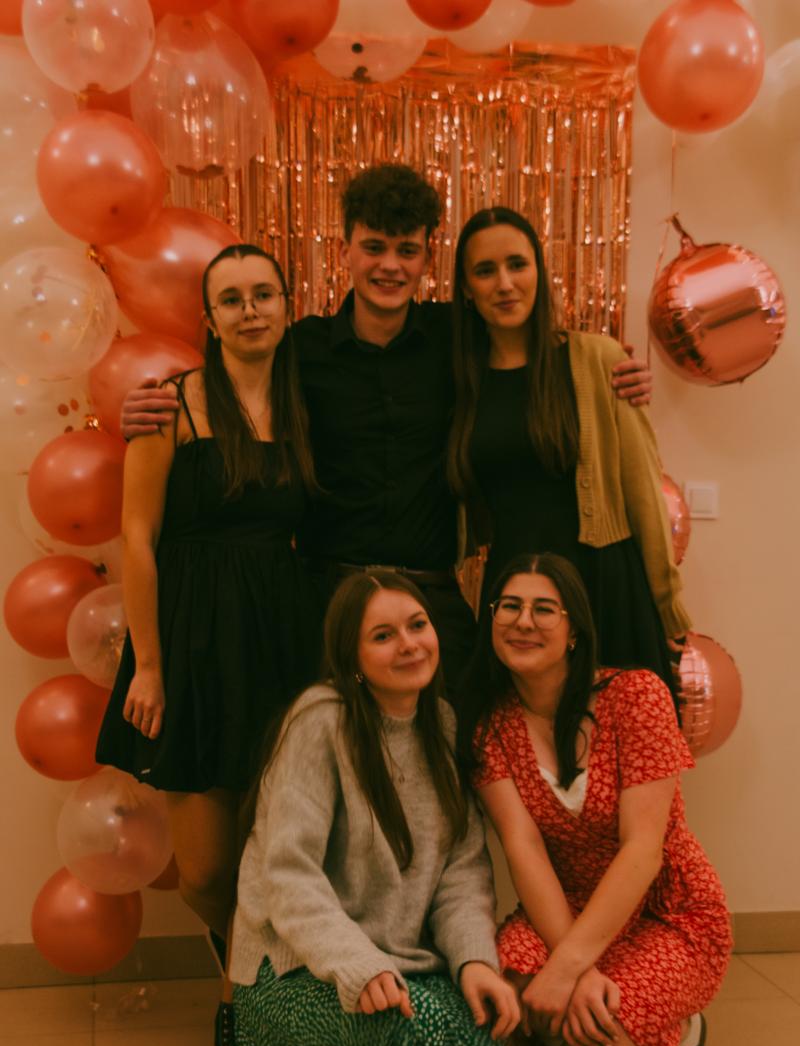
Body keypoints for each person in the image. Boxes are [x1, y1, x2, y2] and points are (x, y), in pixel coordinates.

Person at [120, 167, 653, 688]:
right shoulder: (300, 349)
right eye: (374, 247)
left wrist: (610, 367)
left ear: (427, 257)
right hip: (326, 597)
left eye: (407, 250)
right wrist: (146, 409)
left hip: (430, 596)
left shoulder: (457, 339)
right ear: (345, 250)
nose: (390, 266)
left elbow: (533, 348)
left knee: (466, 729)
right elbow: (232, 378)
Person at [96, 244, 321, 1046]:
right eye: (232, 299)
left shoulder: (307, 402)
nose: (250, 309)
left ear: (287, 306)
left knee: (282, 843)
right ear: (210, 318)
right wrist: (149, 666)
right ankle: (241, 953)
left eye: (264, 294)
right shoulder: (171, 406)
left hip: (282, 638)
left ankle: (241, 1004)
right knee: (206, 869)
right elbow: (137, 539)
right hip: (191, 641)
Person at [230, 570, 526, 1046]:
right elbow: (290, 874)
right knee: (409, 1036)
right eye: (384, 635)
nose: (410, 644)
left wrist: (475, 960)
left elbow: (462, 870)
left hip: (398, 958)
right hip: (296, 966)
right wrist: (358, 966)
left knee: (471, 1022)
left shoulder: (441, 723)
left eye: (417, 626)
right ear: (353, 658)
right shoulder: (321, 721)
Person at [457, 552, 732, 1046]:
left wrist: (565, 971)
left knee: (611, 1042)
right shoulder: (490, 727)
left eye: (544, 609)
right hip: (567, 905)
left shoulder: (637, 696)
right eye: (509, 606)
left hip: (665, 910)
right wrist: (573, 968)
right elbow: (524, 848)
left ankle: (679, 1037)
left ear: (574, 630)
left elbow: (643, 850)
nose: (523, 621)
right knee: (506, 992)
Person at [448, 207, 688, 697]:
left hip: (602, 587)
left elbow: (643, 491)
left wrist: (668, 607)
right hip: (514, 597)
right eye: (485, 270)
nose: (505, 283)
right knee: (517, 736)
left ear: (538, 270)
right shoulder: (460, 380)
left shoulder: (596, 359)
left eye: (517, 264)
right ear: (467, 289)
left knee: (615, 736)